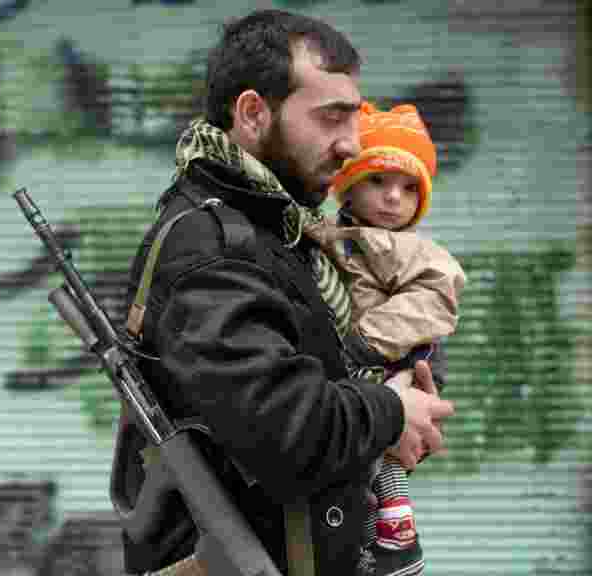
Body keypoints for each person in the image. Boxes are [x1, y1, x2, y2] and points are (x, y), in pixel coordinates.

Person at [118, 9, 456, 576]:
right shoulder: (212, 247)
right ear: (253, 113)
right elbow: (288, 430)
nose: (352, 145)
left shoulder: (284, 233)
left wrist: (392, 414)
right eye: (331, 119)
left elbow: (321, 405)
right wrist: (393, 410)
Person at [302, 101, 467, 576]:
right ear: (348, 184)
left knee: (384, 466)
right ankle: (379, 545)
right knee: (368, 470)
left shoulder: (405, 248)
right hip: (369, 373)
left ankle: (397, 547)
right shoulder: (343, 234)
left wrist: (364, 343)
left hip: (392, 366)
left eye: (409, 187)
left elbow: (440, 292)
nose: (394, 197)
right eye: (378, 180)